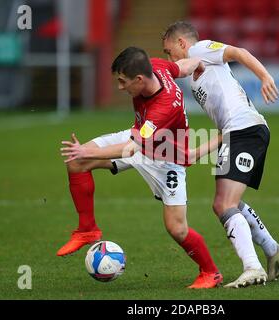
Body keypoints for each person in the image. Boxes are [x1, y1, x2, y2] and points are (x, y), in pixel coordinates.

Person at [57, 46, 223, 289]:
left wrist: (87, 151)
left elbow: (132, 147)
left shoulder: (164, 106)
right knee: (76, 162)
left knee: (177, 229)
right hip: (140, 138)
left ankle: (211, 273)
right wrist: (198, 63)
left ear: (139, 79)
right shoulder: (156, 66)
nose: (120, 87)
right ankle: (87, 230)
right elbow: (182, 67)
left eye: (123, 82)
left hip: (166, 160)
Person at [162, 21, 279, 288]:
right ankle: (272, 250)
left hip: (246, 130)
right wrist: (198, 151)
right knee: (223, 203)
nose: (169, 57)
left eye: (168, 51)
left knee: (224, 204)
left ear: (181, 43)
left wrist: (265, 77)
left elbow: (239, 52)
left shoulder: (200, 49)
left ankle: (252, 267)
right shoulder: (197, 72)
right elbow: (223, 129)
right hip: (237, 133)